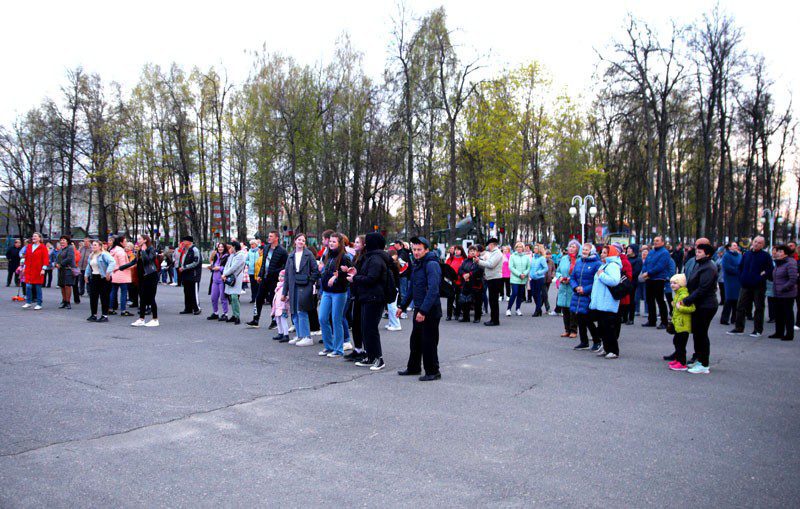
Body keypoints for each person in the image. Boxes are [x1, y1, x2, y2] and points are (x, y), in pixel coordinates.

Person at [397, 236, 442, 381]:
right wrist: (402, 306)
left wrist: (423, 311)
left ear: (426, 250)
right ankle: (414, 367)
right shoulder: (417, 263)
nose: (416, 252)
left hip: (430, 310)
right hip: (419, 308)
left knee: (429, 342)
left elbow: (433, 290)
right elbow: (412, 287)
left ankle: (433, 371)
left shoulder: (431, 264)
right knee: (415, 340)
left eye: (419, 249)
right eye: (414, 249)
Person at [349, 232, 392, 370]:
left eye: (367, 242)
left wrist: (355, 278)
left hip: (374, 298)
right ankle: (370, 356)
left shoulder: (376, 259)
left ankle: (379, 358)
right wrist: (356, 274)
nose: (365, 244)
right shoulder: (372, 257)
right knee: (365, 328)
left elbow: (372, 278)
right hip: (368, 297)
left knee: (371, 329)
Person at [681, 243, 718, 374]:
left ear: (707, 254)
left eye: (700, 252)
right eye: (697, 251)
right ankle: (699, 359)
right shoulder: (700, 265)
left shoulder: (709, 267)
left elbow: (703, 289)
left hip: (706, 305)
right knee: (697, 333)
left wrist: (687, 300)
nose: (697, 254)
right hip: (699, 304)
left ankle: (704, 363)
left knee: (702, 334)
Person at [728, 236, 772, 337]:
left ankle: (757, 330)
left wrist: (762, 276)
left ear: (763, 245)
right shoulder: (747, 254)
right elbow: (741, 267)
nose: (756, 244)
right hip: (745, 285)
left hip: (759, 286)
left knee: (759, 307)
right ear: (752, 242)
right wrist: (741, 277)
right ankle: (739, 328)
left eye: (759, 243)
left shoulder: (765, 256)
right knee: (740, 306)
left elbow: (770, 269)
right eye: (755, 241)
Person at [317, 233, 352, 357]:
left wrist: (336, 277)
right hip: (327, 291)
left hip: (339, 292)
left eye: (334, 242)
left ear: (339, 243)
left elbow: (349, 275)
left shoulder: (345, 257)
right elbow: (325, 271)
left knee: (336, 319)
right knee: (322, 318)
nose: (331, 243)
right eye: (330, 241)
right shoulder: (327, 255)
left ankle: (338, 349)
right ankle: (328, 347)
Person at [283, 233, 320, 347]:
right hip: (293, 286)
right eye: (299, 239)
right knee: (294, 311)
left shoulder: (309, 255)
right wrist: (284, 292)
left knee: (302, 311)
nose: (301, 242)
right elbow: (286, 275)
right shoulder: (291, 256)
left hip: (304, 286)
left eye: (303, 240)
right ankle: (299, 335)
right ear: (295, 241)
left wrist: (310, 282)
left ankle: (307, 337)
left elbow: (315, 270)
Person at [248, 230, 289, 329]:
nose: (269, 238)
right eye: (269, 236)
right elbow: (263, 263)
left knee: (272, 300)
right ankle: (255, 320)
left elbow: (286, 266)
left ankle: (274, 321)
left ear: (276, 238)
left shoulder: (282, 251)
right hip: (264, 278)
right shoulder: (266, 248)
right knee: (259, 298)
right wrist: (260, 275)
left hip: (275, 279)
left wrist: (276, 272)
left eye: (271, 236)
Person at [119, 235, 160, 327]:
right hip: (141, 277)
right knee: (142, 298)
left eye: (139, 239)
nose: (138, 240)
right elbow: (134, 261)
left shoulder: (150, 249)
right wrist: (121, 268)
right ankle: (141, 319)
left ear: (145, 240)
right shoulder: (140, 250)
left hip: (150, 276)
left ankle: (155, 319)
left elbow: (148, 260)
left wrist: (144, 251)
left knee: (151, 298)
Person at [589, 245, 622, 358]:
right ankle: (606, 348)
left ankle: (613, 350)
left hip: (607, 301)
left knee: (609, 327)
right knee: (603, 327)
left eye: (604, 253)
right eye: (602, 252)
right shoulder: (604, 265)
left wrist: (602, 275)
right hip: (600, 301)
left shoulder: (613, 266)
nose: (602, 254)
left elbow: (614, 281)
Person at [570, 243, 601, 351]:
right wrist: (575, 287)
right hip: (578, 295)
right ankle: (584, 342)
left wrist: (585, 289)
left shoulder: (597, 264)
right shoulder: (579, 262)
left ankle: (597, 341)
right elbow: (573, 277)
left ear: (592, 251)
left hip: (588, 295)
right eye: (583, 249)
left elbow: (597, 281)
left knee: (588, 319)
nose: (584, 251)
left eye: (586, 250)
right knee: (580, 319)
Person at [665, 274, 695, 371]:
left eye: (675, 283)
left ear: (681, 284)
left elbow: (692, 308)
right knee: (676, 342)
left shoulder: (684, 295)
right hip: (678, 324)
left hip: (683, 325)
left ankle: (682, 363)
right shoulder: (678, 294)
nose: (672, 285)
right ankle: (678, 359)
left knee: (681, 344)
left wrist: (680, 307)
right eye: (671, 283)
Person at [641, 236, 670, 329]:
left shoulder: (664, 253)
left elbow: (660, 266)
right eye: (654, 240)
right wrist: (644, 271)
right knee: (649, 300)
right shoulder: (651, 252)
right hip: (649, 279)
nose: (655, 242)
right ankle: (652, 320)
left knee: (660, 300)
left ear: (662, 242)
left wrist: (648, 273)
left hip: (658, 279)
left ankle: (664, 322)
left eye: (657, 241)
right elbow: (645, 263)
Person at [770, 245, 797, 341]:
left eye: (780, 251)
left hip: (787, 294)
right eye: (778, 251)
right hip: (778, 293)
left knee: (787, 314)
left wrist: (783, 288)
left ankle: (789, 334)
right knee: (779, 313)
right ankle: (779, 332)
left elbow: (793, 279)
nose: (778, 253)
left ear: (786, 254)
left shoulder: (790, 263)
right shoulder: (779, 263)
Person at [84, 240, 116, 322]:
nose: (93, 246)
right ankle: (93, 315)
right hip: (94, 277)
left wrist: (108, 272)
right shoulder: (91, 255)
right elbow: (89, 265)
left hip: (103, 278)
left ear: (100, 247)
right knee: (93, 296)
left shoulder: (104, 254)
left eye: (95, 245)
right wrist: (86, 275)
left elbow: (112, 262)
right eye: (92, 245)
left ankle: (104, 315)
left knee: (104, 296)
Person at [556, 240, 580, 337]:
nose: (571, 248)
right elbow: (558, 271)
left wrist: (571, 279)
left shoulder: (579, 260)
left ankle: (573, 330)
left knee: (572, 309)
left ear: (577, 249)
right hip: (563, 286)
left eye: (574, 247)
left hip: (573, 287)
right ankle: (567, 329)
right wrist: (560, 277)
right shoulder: (564, 258)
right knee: (564, 309)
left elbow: (579, 273)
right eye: (570, 246)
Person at [479, 238, 504, 326]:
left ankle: (495, 320)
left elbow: (491, 264)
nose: (488, 247)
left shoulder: (497, 253)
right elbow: (487, 262)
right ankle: (493, 319)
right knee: (492, 300)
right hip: (491, 278)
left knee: (493, 300)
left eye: (489, 245)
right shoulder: (492, 253)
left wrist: (479, 261)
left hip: (495, 278)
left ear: (492, 245)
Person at [21, 233, 49, 310]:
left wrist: (43, 269)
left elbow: (45, 258)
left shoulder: (43, 247)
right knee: (28, 286)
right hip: (29, 269)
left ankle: (39, 303)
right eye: (33, 236)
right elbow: (27, 258)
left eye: (35, 236)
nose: (33, 237)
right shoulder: (29, 246)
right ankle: (28, 302)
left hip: (38, 270)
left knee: (37, 287)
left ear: (39, 238)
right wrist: (24, 267)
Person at [222, 241, 247, 325]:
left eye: (231, 247)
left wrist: (225, 274)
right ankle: (233, 315)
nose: (230, 249)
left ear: (235, 247)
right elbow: (227, 265)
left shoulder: (241, 255)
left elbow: (234, 267)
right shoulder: (232, 255)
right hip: (229, 278)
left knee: (234, 297)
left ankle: (237, 316)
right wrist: (224, 274)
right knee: (231, 297)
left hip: (236, 278)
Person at [109, 235, 133, 317]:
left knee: (113, 291)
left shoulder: (113, 250)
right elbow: (123, 265)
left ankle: (110, 308)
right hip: (122, 274)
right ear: (121, 242)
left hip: (114, 273)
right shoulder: (121, 252)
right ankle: (123, 310)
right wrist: (131, 266)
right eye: (125, 241)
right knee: (124, 292)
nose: (126, 243)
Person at [178, 236, 202, 315]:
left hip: (193, 275)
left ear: (189, 242)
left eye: (184, 241)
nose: (183, 242)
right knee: (187, 292)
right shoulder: (185, 250)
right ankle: (188, 308)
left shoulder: (195, 250)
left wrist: (184, 267)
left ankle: (197, 308)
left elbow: (196, 262)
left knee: (193, 292)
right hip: (186, 274)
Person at [459, 246, 484, 323]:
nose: (472, 252)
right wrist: (464, 275)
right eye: (471, 251)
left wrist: (469, 274)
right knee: (465, 300)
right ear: (468, 252)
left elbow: (479, 270)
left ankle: (477, 318)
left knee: (477, 302)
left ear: (477, 252)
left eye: (474, 251)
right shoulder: (465, 261)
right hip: (466, 283)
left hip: (476, 283)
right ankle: (466, 317)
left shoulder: (480, 260)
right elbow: (460, 269)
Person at [506, 242, 531, 317]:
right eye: (518, 247)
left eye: (521, 247)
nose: (519, 248)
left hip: (523, 278)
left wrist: (524, 273)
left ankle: (518, 309)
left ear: (523, 248)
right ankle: (508, 309)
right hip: (515, 278)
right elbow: (511, 267)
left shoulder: (526, 257)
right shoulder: (512, 256)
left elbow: (528, 267)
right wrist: (519, 274)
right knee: (514, 293)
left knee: (520, 294)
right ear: (516, 248)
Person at [720, 242, 742, 325]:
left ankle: (734, 318)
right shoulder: (726, 256)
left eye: (736, 245)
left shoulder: (739, 255)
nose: (736, 246)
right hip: (730, 279)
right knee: (729, 299)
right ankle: (724, 319)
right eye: (734, 245)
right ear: (729, 247)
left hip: (738, 280)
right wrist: (737, 270)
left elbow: (742, 265)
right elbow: (727, 267)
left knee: (737, 300)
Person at [207, 242, 230, 321]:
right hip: (214, 279)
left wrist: (219, 268)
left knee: (223, 297)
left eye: (222, 247)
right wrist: (211, 267)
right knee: (213, 297)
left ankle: (225, 314)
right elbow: (214, 265)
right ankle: (215, 313)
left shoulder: (227, 257)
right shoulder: (216, 255)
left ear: (224, 248)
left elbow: (228, 268)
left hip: (222, 280)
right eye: (219, 247)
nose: (220, 248)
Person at [54, 235, 76, 309]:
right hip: (61, 269)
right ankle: (64, 301)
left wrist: (61, 264)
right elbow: (57, 258)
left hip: (68, 269)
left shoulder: (70, 248)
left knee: (67, 285)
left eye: (64, 240)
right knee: (62, 285)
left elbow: (69, 258)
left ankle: (68, 302)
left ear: (67, 241)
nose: (62, 241)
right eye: (61, 240)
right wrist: (56, 263)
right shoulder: (61, 249)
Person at [445, 245, 466, 320]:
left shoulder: (464, 259)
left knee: (458, 299)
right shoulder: (450, 259)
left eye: (458, 250)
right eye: (455, 250)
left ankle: (457, 314)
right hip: (451, 282)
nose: (456, 251)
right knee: (450, 298)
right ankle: (449, 315)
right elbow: (446, 269)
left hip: (460, 282)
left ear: (461, 251)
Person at [528, 244, 548, 317]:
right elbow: (530, 267)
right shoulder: (533, 257)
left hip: (539, 278)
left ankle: (537, 310)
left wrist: (539, 272)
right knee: (533, 294)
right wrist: (530, 274)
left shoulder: (542, 258)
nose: (534, 249)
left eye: (536, 248)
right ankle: (539, 308)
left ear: (539, 250)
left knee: (538, 294)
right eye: (534, 248)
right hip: (532, 278)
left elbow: (546, 268)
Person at [271, 270, 291, 342]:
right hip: (277, 306)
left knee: (283, 320)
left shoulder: (286, 286)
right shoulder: (279, 285)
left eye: (282, 276)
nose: (280, 277)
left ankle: (286, 335)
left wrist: (286, 299)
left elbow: (288, 296)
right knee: (278, 320)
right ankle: (280, 333)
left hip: (283, 306)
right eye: (279, 276)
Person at [625, 245, 642, 324]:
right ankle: (624, 317)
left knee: (631, 300)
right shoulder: (626, 258)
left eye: (630, 249)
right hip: (625, 281)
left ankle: (631, 318)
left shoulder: (638, 260)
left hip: (632, 282)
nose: (628, 250)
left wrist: (627, 274)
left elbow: (636, 272)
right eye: (628, 248)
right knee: (625, 299)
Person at [543, 250, 556, 315]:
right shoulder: (542, 260)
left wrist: (552, 275)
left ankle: (538, 307)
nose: (548, 256)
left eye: (549, 254)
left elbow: (554, 270)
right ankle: (547, 308)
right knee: (545, 294)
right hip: (542, 279)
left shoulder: (551, 262)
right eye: (547, 254)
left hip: (549, 280)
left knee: (544, 294)